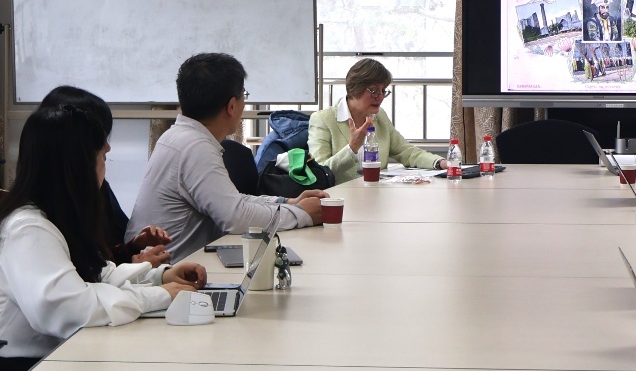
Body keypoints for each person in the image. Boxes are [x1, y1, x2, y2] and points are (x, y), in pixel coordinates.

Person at [0, 102, 206, 371]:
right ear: (77, 168)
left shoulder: (57, 216)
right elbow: (69, 309)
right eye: (102, 157)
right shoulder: (28, 229)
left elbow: (97, 274)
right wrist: (159, 296)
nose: (105, 167)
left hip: (59, 358)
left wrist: (160, 277)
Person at [128, 53, 325, 262]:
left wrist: (289, 203)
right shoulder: (195, 147)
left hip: (168, 265)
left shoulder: (177, 136)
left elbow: (231, 200)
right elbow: (236, 217)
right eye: (244, 96)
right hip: (173, 270)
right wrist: (301, 215)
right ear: (231, 106)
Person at [37, 85, 173, 267]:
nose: (107, 148)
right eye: (99, 138)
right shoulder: (42, 221)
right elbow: (88, 275)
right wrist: (136, 268)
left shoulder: (94, 189)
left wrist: (133, 248)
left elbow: (104, 260)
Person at [308, 58, 447, 183]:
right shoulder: (322, 119)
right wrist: (352, 148)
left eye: (383, 90)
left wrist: (440, 162)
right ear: (355, 88)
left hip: (376, 192)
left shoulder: (380, 117)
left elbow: (406, 152)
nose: (380, 97)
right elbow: (320, 173)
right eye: (374, 91)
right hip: (340, 196)